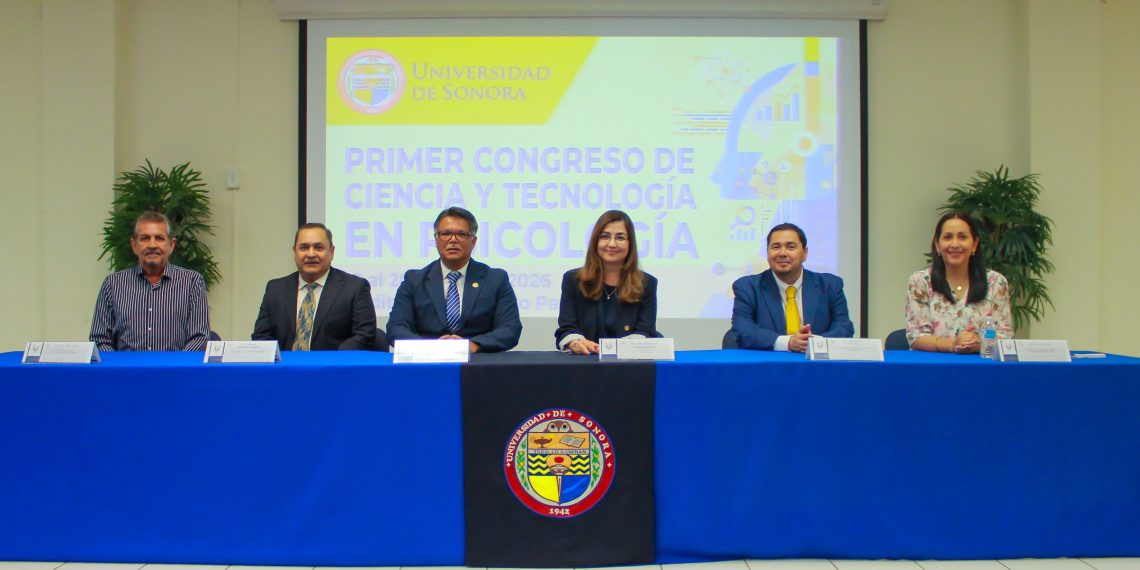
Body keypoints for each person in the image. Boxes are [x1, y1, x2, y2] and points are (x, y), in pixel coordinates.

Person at [387, 207, 522, 353]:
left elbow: (510, 329)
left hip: (479, 362)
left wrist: (472, 345)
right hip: (427, 361)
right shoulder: (414, 280)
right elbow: (396, 328)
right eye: (445, 234)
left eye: (461, 234)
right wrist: (430, 347)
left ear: (473, 241)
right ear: (436, 239)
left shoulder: (495, 279)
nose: (453, 240)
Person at [89, 211, 210, 351]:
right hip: (125, 371)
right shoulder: (113, 284)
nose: (152, 245)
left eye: (159, 238)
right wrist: (118, 370)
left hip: (175, 371)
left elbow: (199, 337)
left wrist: (175, 369)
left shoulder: (192, 282)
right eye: (145, 238)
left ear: (171, 244)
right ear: (134, 245)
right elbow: (99, 339)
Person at [731, 222, 854, 352]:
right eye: (775, 247)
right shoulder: (747, 287)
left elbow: (844, 327)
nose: (782, 253)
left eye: (790, 247)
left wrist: (815, 344)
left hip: (818, 366)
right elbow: (743, 330)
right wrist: (788, 343)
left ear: (805, 253)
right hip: (770, 367)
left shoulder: (830, 285)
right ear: (767, 253)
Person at [252, 223, 377, 350]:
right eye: (304, 248)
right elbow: (261, 336)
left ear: (332, 252)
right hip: (285, 367)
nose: (311, 254)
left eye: (318, 247)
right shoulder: (275, 289)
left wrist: (331, 362)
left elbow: (364, 335)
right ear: (294, 252)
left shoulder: (355, 288)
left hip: (332, 367)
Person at [905, 211, 1012, 353]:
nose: (955, 244)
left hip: (982, 367)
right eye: (948, 237)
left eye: (962, 237)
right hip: (933, 367)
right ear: (937, 244)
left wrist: (980, 343)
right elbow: (916, 337)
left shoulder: (996, 282)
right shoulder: (920, 281)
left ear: (974, 244)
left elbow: (1005, 336)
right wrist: (952, 344)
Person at [555, 210, 660, 354]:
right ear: (595, 241)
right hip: (583, 363)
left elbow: (645, 332)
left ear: (630, 244)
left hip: (628, 366)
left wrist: (617, 349)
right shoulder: (572, 280)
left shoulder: (647, 284)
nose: (612, 244)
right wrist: (576, 343)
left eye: (620, 237)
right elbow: (567, 329)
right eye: (605, 236)